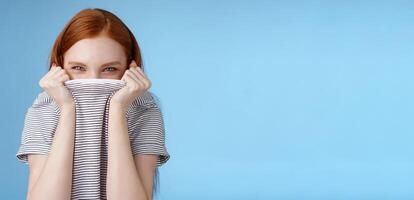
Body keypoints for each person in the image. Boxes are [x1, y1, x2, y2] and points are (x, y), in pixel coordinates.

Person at [16, 8, 170, 200]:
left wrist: (117, 110)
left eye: (110, 69)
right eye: (78, 68)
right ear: (59, 67)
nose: (93, 80)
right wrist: (67, 109)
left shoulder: (144, 109)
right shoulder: (44, 108)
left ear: (130, 68)